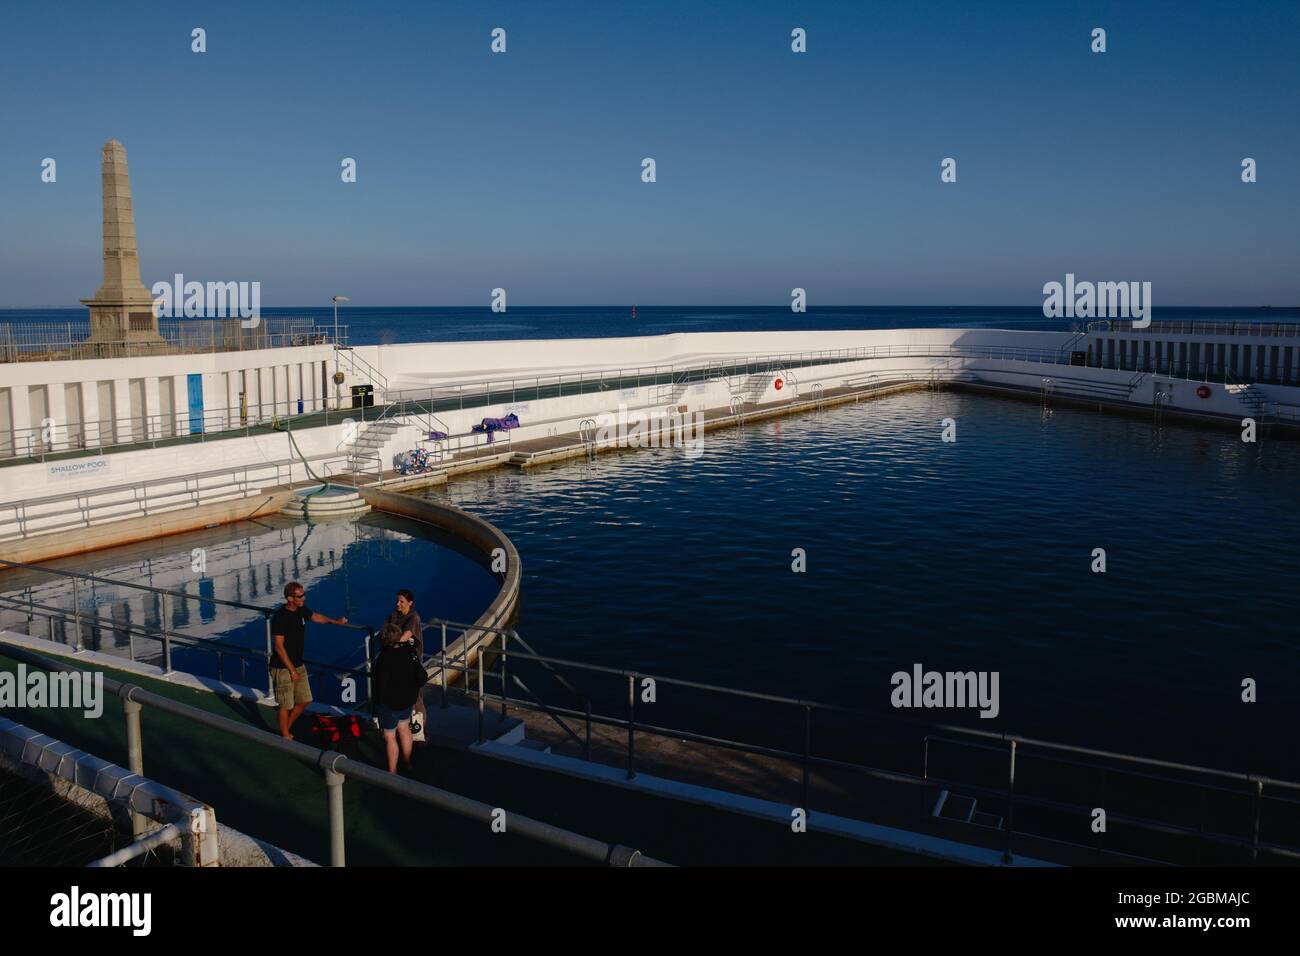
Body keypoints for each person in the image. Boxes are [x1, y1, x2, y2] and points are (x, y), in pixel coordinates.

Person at [270, 581, 349, 739]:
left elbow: (317, 617)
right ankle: (285, 736)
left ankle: (286, 728)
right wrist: (292, 671)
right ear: (290, 598)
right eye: (300, 596)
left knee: (305, 700)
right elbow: (279, 647)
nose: (304, 598)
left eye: (304, 595)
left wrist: (336, 622)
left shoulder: (301, 610)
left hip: (298, 664)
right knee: (285, 705)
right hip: (283, 667)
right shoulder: (280, 617)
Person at [371, 622, 428, 773]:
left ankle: (392, 771)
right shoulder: (409, 652)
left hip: (389, 704)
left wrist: (378, 704)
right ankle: (407, 762)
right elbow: (421, 676)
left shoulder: (384, 658)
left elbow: (380, 685)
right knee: (404, 728)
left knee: (390, 736)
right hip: (407, 700)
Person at [384, 589, 426, 730]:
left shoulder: (413, 617)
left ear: (410, 603)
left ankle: (420, 729)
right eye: (397, 601)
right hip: (396, 661)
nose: (398, 604)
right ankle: (403, 726)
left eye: (401, 601)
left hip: (411, 661)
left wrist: (392, 648)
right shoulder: (393, 616)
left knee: (415, 696)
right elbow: (385, 631)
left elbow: (407, 635)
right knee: (399, 694)